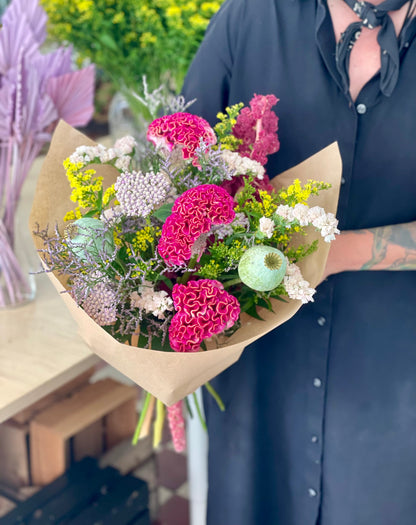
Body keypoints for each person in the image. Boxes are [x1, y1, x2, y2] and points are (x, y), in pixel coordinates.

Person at [181, 1, 416, 524]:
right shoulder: (248, 19)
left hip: (394, 390)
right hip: (258, 375)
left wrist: (338, 251)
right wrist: (161, 333)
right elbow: (178, 178)